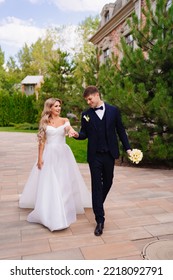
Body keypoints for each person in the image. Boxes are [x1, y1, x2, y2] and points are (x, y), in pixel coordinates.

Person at [19, 97, 91, 231]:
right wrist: (40, 158)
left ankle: (64, 207)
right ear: (50, 108)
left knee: (63, 181)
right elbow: (41, 141)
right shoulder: (44, 122)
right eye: (56, 106)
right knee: (50, 181)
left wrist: (71, 132)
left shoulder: (65, 120)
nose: (58, 108)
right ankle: (50, 210)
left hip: (63, 154)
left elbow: (69, 128)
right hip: (49, 154)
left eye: (59, 106)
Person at [73, 86, 131, 236]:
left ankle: (96, 203)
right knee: (96, 185)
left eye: (90, 99)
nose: (88, 102)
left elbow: (121, 131)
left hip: (109, 154)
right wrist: (75, 135)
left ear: (97, 95)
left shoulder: (113, 111)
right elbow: (84, 134)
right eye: (86, 100)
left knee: (109, 181)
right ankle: (100, 219)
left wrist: (128, 149)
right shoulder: (86, 114)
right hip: (94, 156)